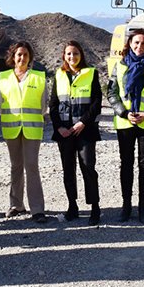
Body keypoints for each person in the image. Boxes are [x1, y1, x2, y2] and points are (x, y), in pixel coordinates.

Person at [107, 29, 144, 223]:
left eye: (143, 43)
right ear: (129, 44)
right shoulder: (120, 65)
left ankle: (143, 208)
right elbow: (112, 93)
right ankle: (126, 207)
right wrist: (124, 113)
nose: (139, 46)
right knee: (126, 163)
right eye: (136, 43)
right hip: (125, 121)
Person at [49, 41, 102, 225]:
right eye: (69, 54)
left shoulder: (91, 73)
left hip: (85, 131)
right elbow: (53, 105)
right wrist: (59, 127)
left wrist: (82, 123)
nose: (72, 57)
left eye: (76, 53)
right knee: (68, 170)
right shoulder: (60, 75)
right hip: (64, 132)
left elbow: (96, 102)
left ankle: (95, 207)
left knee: (88, 168)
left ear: (82, 55)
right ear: (64, 56)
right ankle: (72, 206)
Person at [0, 41, 49, 224]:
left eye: (25, 55)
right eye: (18, 54)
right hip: (11, 129)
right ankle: (16, 204)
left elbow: (43, 105)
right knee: (15, 167)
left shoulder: (38, 77)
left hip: (32, 129)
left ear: (30, 57)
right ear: (13, 57)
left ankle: (37, 209)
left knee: (32, 167)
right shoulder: (3, 78)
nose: (22, 58)